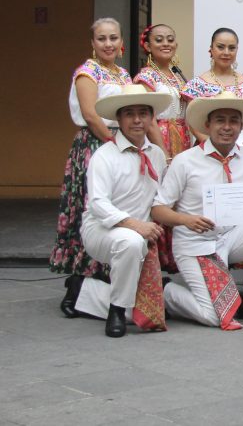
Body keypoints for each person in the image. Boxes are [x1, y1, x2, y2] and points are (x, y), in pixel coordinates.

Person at [151, 92, 243, 329]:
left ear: (241, 126)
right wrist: (185, 220)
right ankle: (166, 291)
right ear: (208, 125)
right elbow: (158, 210)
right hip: (196, 242)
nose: (227, 127)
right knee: (213, 316)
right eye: (220, 120)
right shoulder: (185, 161)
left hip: (232, 237)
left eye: (233, 121)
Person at [67, 84, 172, 337]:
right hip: (102, 229)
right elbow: (98, 205)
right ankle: (116, 310)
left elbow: (162, 198)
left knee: (150, 307)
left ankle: (83, 291)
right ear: (119, 118)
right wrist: (137, 226)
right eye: (129, 114)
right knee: (132, 242)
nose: (137, 120)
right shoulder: (104, 155)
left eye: (143, 113)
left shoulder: (156, 155)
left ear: (151, 117)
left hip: (141, 232)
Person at [53, 17, 133, 310]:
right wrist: (114, 146)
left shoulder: (124, 75)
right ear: (92, 43)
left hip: (119, 141)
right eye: (102, 38)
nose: (108, 44)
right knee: (91, 208)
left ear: (121, 40)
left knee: (118, 205)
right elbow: (90, 115)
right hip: (96, 144)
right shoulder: (87, 72)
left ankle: (108, 277)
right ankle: (78, 281)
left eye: (113, 38)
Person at [183, 28, 243, 153]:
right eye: (221, 47)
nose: (226, 52)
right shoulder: (197, 85)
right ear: (211, 49)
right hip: (210, 153)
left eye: (231, 48)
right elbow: (192, 121)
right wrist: (217, 149)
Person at [134, 23, 191, 159]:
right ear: (148, 46)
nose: (166, 44)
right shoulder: (146, 76)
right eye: (159, 40)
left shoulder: (178, 77)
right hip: (159, 137)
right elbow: (149, 118)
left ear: (176, 45)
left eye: (170, 40)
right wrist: (163, 153)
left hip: (182, 135)